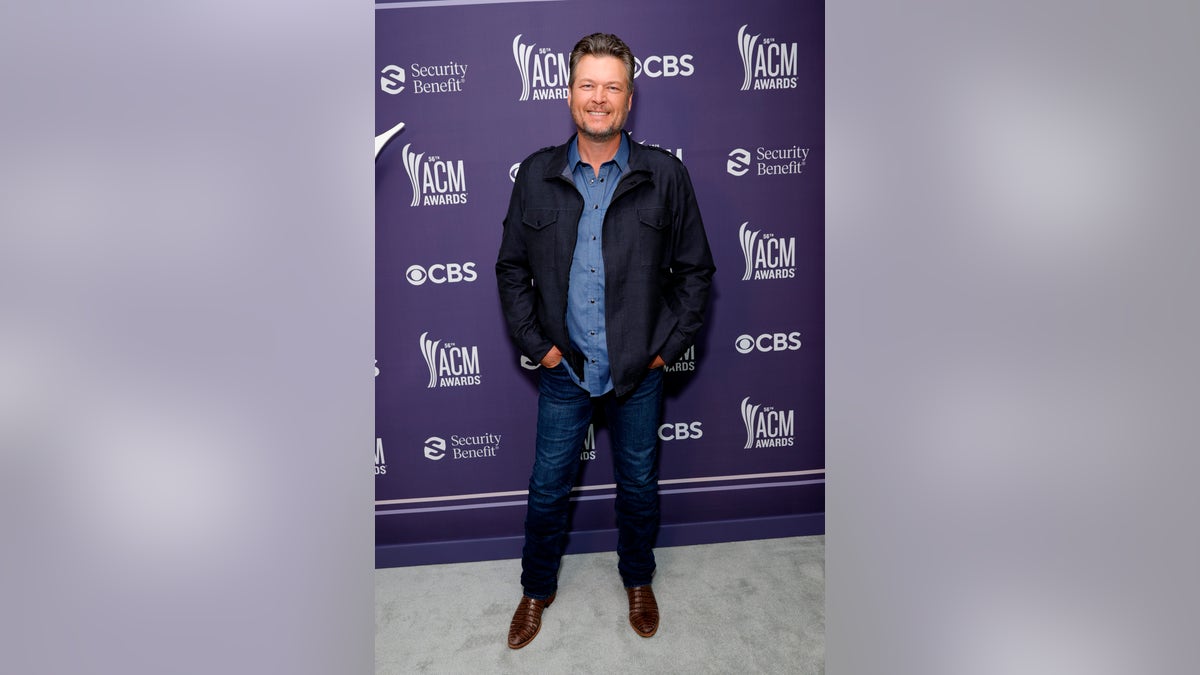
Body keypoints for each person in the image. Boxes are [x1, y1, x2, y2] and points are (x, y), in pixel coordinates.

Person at [495, 32, 715, 649]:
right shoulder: (536, 174)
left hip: (638, 371)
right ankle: (536, 589)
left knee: (640, 486)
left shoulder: (664, 175)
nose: (599, 98)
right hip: (565, 369)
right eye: (588, 85)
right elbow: (511, 267)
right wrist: (542, 346)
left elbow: (696, 272)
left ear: (629, 96)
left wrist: (662, 350)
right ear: (569, 94)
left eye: (611, 87)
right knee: (546, 490)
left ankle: (638, 580)